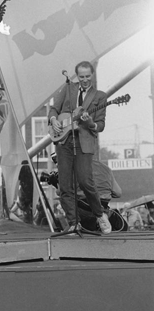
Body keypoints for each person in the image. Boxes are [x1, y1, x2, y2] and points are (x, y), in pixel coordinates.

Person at [48, 61, 111, 234]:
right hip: (64, 142)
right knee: (65, 185)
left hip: (84, 141)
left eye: (88, 76)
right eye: (81, 76)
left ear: (92, 75)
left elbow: (100, 125)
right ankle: (73, 223)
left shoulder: (100, 96)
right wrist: (53, 121)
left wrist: (89, 122)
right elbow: (54, 109)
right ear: (77, 76)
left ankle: (100, 214)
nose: (84, 80)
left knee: (85, 181)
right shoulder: (68, 88)